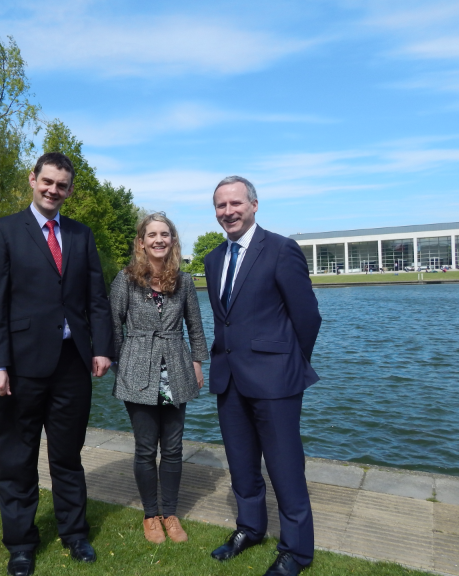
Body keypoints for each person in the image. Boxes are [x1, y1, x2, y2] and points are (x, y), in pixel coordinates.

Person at [0, 152, 114, 576]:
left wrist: (102, 347)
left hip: (72, 366)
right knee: (17, 459)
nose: (54, 190)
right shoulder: (3, 232)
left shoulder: (80, 234)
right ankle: (21, 544)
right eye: (48, 182)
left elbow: (95, 298)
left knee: (68, 456)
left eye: (62, 185)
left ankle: (75, 533)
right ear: (33, 180)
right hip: (18, 369)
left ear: (70, 190)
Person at [203, 176, 322, 576]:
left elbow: (307, 316)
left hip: (275, 380)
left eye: (235, 203)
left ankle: (296, 551)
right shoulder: (215, 258)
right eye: (221, 206)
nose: (228, 212)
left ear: (254, 205)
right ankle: (250, 528)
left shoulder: (281, 249)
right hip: (229, 378)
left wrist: (290, 363)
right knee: (241, 463)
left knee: (285, 467)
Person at [109, 213, 208, 544]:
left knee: (175, 447)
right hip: (138, 371)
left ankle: (171, 513)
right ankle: (151, 515)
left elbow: (194, 326)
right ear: (141, 242)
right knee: (145, 448)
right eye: (151, 235)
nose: (158, 240)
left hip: (174, 371)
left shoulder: (183, 281)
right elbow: (114, 324)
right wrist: (122, 363)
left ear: (172, 239)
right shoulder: (125, 279)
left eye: (164, 234)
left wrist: (198, 362)